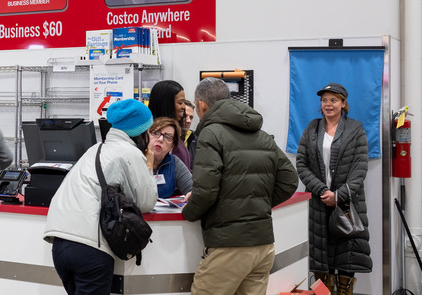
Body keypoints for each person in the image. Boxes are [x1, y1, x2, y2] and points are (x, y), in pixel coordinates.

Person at [182, 78, 298, 295]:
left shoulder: (211, 133)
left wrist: (189, 212)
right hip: (263, 245)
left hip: (229, 246)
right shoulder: (261, 135)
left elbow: (206, 191)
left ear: (202, 106)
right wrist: (256, 203)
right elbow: (290, 180)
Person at [44, 99, 157, 295]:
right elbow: (147, 201)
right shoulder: (129, 153)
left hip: (60, 244)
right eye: (149, 130)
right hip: (89, 248)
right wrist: (149, 165)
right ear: (139, 132)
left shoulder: (94, 150)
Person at [296, 83, 371, 294]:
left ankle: (344, 291)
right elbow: (301, 163)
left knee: (347, 254)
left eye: (333, 100)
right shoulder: (313, 127)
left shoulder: (355, 129)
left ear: (343, 103)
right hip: (319, 202)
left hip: (347, 202)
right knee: (321, 255)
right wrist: (321, 190)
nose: (328, 104)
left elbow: (360, 167)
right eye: (324, 100)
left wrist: (339, 195)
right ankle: (323, 291)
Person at [147, 80, 191, 170]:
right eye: (180, 102)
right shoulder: (150, 139)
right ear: (166, 104)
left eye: (184, 102)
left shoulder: (177, 132)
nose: (183, 107)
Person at [146, 117, 192, 199]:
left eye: (167, 137)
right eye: (156, 133)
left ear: (172, 146)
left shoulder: (174, 162)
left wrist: (192, 194)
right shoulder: (135, 158)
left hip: (164, 211)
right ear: (147, 136)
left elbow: (192, 189)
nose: (160, 139)